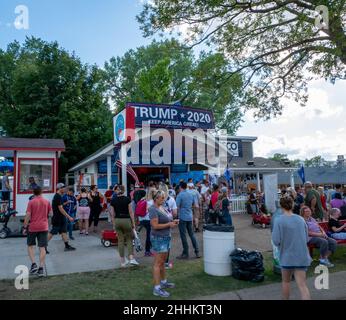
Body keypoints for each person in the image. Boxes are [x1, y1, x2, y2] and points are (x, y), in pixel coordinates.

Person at [272, 196, 311, 300]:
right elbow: (306, 238)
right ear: (293, 204)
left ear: (281, 206)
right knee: (302, 285)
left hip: (287, 256)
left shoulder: (278, 220)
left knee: (286, 282)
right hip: (301, 256)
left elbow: (276, 241)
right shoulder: (301, 219)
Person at [149, 190, 179, 297]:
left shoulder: (162, 207)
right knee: (158, 263)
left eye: (163, 197)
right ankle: (157, 288)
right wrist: (169, 224)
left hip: (165, 237)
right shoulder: (153, 209)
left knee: (163, 262)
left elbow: (167, 219)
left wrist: (173, 222)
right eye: (161, 198)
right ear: (155, 199)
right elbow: (155, 226)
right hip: (158, 238)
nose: (163, 199)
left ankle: (163, 282)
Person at [23, 187, 53, 277]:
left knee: (30, 245)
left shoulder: (31, 202)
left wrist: (25, 226)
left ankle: (33, 265)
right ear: (41, 192)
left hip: (33, 227)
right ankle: (41, 268)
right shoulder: (47, 202)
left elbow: (28, 215)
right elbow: (51, 214)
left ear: (33, 192)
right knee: (42, 247)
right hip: (44, 227)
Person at [110, 185, 139, 267]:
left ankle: (122, 261)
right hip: (126, 220)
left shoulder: (113, 200)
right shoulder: (127, 199)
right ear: (123, 190)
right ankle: (131, 258)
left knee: (120, 241)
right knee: (129, 239)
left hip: (117, 221)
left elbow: (112, 214)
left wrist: (113, 224)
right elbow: (131, 212)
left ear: (117, 191)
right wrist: (133, 223)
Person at [47, 183, 76, 251]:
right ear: (60, 188)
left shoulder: (60, 196)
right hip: (57, 218)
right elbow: (61, 208)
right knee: (52, 232)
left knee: (64, 232)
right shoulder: (57, 196)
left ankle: (67, 246)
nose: (65, 189)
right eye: (64, 188)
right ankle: (43, 246)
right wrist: (69, 217)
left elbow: (61, 205)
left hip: (62, 218)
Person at [175, 182, 200, 259]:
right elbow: (195, 205)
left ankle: (186, 253)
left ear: (180, 187)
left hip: (182, 217)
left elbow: (177, 206)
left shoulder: (180, 195)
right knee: (191, 234)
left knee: (183, 235)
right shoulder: (191, 194)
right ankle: (197, 251)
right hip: (189, 216)